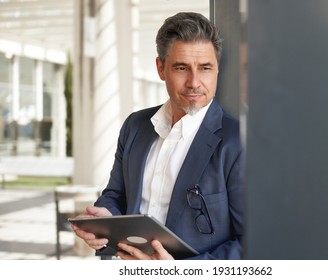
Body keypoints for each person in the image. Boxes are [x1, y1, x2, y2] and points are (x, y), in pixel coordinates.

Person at [71, 11, 243, 260]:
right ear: (161, 68)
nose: (194, 82)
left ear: (217, 70)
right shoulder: (135, 126)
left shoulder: (237, 141)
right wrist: (105, 219)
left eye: (205, 68)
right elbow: (115, 195)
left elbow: (251, 242)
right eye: (181, 68)